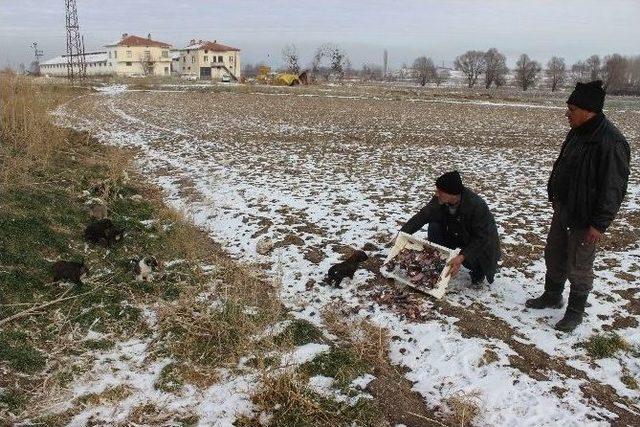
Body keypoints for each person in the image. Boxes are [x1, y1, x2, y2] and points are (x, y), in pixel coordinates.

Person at [526, 80, 630, 332]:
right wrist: (554, 193)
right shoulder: (577, 132)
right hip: (564, 209)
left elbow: (613, 188)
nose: (567, 114)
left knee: (580, 265)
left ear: (589, 110)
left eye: (572, 109)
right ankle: (552, 295)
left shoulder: (611, 142)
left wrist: (599, 224)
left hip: (586, 219)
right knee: (554, 253)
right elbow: (563, 164)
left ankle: (574, 311)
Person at [400, 171, 500, 286]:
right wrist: (402, 234)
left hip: (480, 244)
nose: (437, 194)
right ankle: (441, 261)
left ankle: (478, 272)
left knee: (474, 258)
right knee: (434, 225)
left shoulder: (477, 206)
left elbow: (482, 238)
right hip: (456, 233)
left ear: (453, 193)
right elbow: (423, 215)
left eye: (440, 191)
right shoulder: (441, 199)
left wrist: (461, 256)